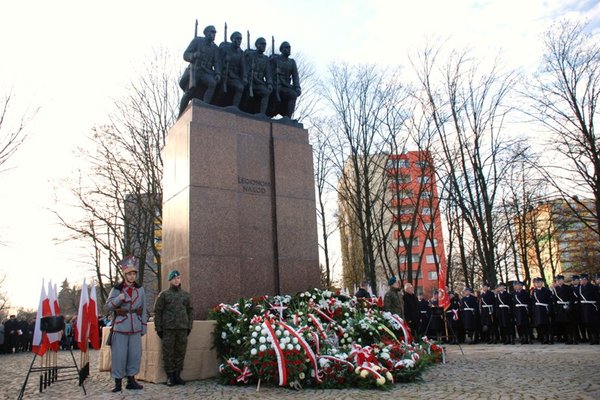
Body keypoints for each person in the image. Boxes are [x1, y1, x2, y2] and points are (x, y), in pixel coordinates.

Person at [105, 256, 148, 392]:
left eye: (134, 273)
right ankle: (118, 383)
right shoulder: (117, 289)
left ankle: (131, 380)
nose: (132, 276)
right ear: (125, 275)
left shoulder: (140, 289)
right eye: (129, 274)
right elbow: (108, 306)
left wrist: (143, 326)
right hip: (121, 326)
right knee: (119, 355)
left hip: (135, 325)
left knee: (135, 354)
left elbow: (144, 308)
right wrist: (118, 299)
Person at [154, 269, 194, 387]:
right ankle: (170, 376)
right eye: (174, 278)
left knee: (180, 352)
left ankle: (177, 375)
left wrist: (189, 326)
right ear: (170, 280)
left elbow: (190, 311)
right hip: (168, 328)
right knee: (168, 353)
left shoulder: (185, 295)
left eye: (178, 278)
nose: (177, 280)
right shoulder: (164, 295)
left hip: (182, 328)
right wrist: (159, 328)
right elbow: (158, 312)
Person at [178, 25, 222, 116]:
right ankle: (180, 114)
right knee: (188, 93)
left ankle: (205, 105)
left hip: (206, 72)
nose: (213, 35)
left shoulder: (215, 48)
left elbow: (217, 62)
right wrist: (193, 55)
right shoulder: (197, 41)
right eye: (211, 32)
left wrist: (218, 73)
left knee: (212, 83)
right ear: (206, 33)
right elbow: (185, 55)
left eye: (214, 33)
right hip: (195, 70)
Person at [268, 41, 301, 118]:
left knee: (293, 95)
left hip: (286, 86)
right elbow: (268, 72)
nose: (289, 49)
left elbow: (295, 76)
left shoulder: (292, 62)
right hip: (276, 84)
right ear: (282, 49)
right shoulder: (275, 59)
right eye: (286, 48)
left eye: (289, 48)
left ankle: (287, 118)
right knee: (274, 96)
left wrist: (297, 87)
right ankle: (269, 115)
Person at [216, 31, 247, 109]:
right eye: (237, 39)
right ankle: (216, 104)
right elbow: (217, 61)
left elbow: (243, 67)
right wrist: (218, 73)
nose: (239, 41)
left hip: (234, 77)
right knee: (220, 89)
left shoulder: (241, 53)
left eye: (240, 39)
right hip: (224, 74)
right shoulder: (224, 49)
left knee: (240, 87)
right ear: (232, 39)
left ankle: (235, 107)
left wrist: (244, 77)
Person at [243, 37, 273, 114]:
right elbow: (245, 68)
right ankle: (244, 110)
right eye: (262, 44)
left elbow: (268, 73)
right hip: (250, 80)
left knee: (266, 92)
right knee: (247, 94)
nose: (264, 46)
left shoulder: (266, 59)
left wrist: (269, 83)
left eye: (265, 44)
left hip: (260, 82)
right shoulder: (250, 55)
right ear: (256, 45)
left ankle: (262, 114)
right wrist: (245, 78)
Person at [551, 274, 574, 343]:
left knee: (568, 324)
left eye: (559, 280)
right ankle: (565, 337)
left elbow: (571, 298)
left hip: (566, 307)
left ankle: (570, 338)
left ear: (562, 280)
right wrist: (555, 309)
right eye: (557, 280)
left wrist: (569, 306)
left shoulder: (567, 287)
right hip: (559, 308)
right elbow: (554, 300)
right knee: (561, 324)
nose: (558, 282)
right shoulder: (555, 289)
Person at [579, 273, 599, 345]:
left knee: (595, 324)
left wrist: (597, 307)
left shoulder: (593, 287)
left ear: (585, 279)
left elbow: (597, 298)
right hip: (584, 308)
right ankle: (592, 339)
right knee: (588, 324)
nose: (580, 281)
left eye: (581, 279)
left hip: (592, 308)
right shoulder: (580, 288)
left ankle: (597, 338)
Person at [532, 277, 553, 344]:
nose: (537, 284)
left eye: (538, 282)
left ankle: (550, 339)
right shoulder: (534, 291)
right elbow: (533, 301)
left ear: (542, 282)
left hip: (545, 309)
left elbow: (550, 301)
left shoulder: (546, 291)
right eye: (536, 282)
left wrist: (549, 309)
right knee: (541, 325)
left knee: (547, 325)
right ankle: (544, 338)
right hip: (538, 310)